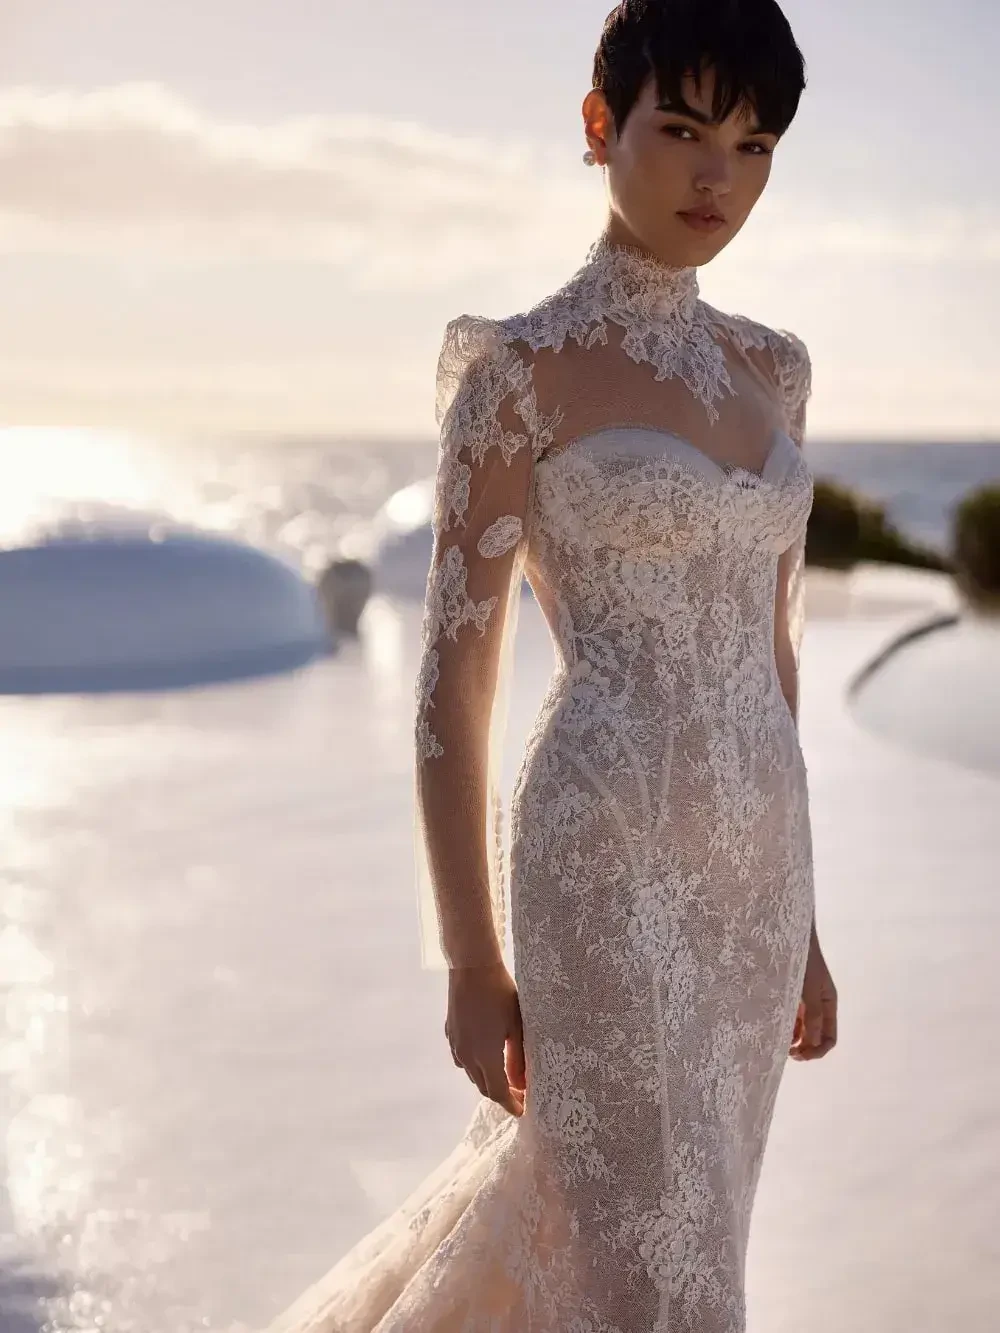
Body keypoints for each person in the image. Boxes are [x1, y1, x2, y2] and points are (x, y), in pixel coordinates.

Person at [265, 1, 838, 1329]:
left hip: (755, 879)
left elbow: (775, 650)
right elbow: (452, 695)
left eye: (753, 146)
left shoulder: (777, 369)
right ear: (601, 126)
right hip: (604, 867)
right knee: (641, 1266)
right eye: (684, 130)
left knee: (704, 1243)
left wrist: (803, 921)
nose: (718, 178)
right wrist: (472, 962)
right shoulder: (518, 377)